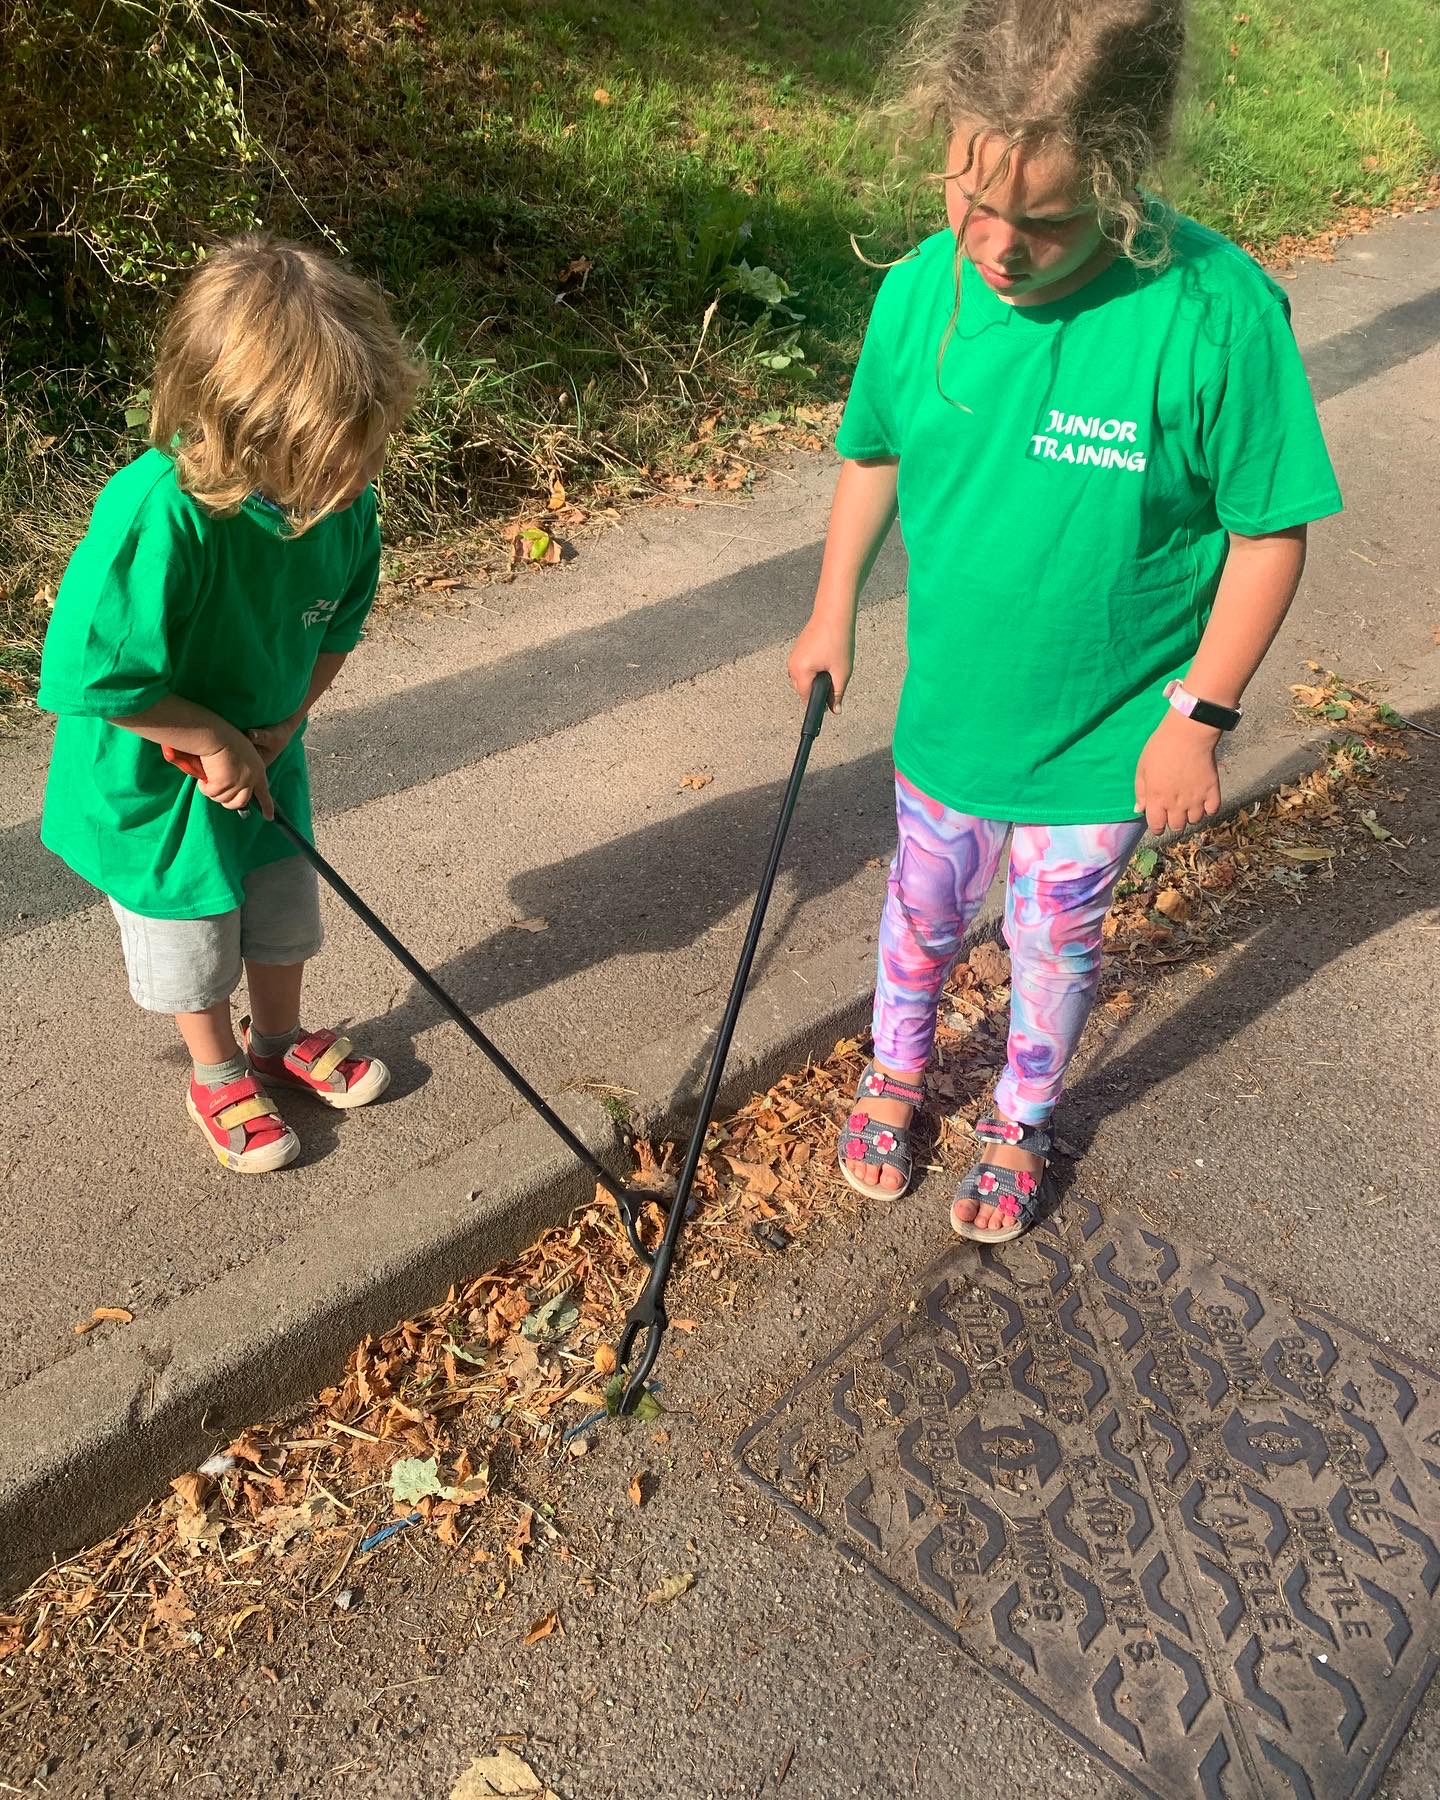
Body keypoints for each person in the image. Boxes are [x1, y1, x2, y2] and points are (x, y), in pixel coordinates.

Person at [787, 0, 1341, 1242]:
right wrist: (835, 612)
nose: (993, 245)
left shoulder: (1213, 312)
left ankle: (1021, 1116)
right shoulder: (920, 292)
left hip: (1107, 739)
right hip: (949, 722)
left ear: (1125, 171)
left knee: (1052, 939)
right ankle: (897, 1070)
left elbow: (1268, 531)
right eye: (967, 200)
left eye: (1039, 221)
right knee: (921, 915)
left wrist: (1197, 718)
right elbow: (873, 454)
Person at [38, 236, 423, 1173]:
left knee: (281, 904)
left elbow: (337, 629)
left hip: (265, 749)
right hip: (156, 776)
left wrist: (285, 723)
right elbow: (90, 675)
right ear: (241, 426)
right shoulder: (158, 512)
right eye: (330, 459)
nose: (355, 482)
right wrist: (206, 735)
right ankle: (214, 1066)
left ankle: (276, 1037)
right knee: (194, 929)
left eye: (361, 456)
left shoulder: (345, 503)